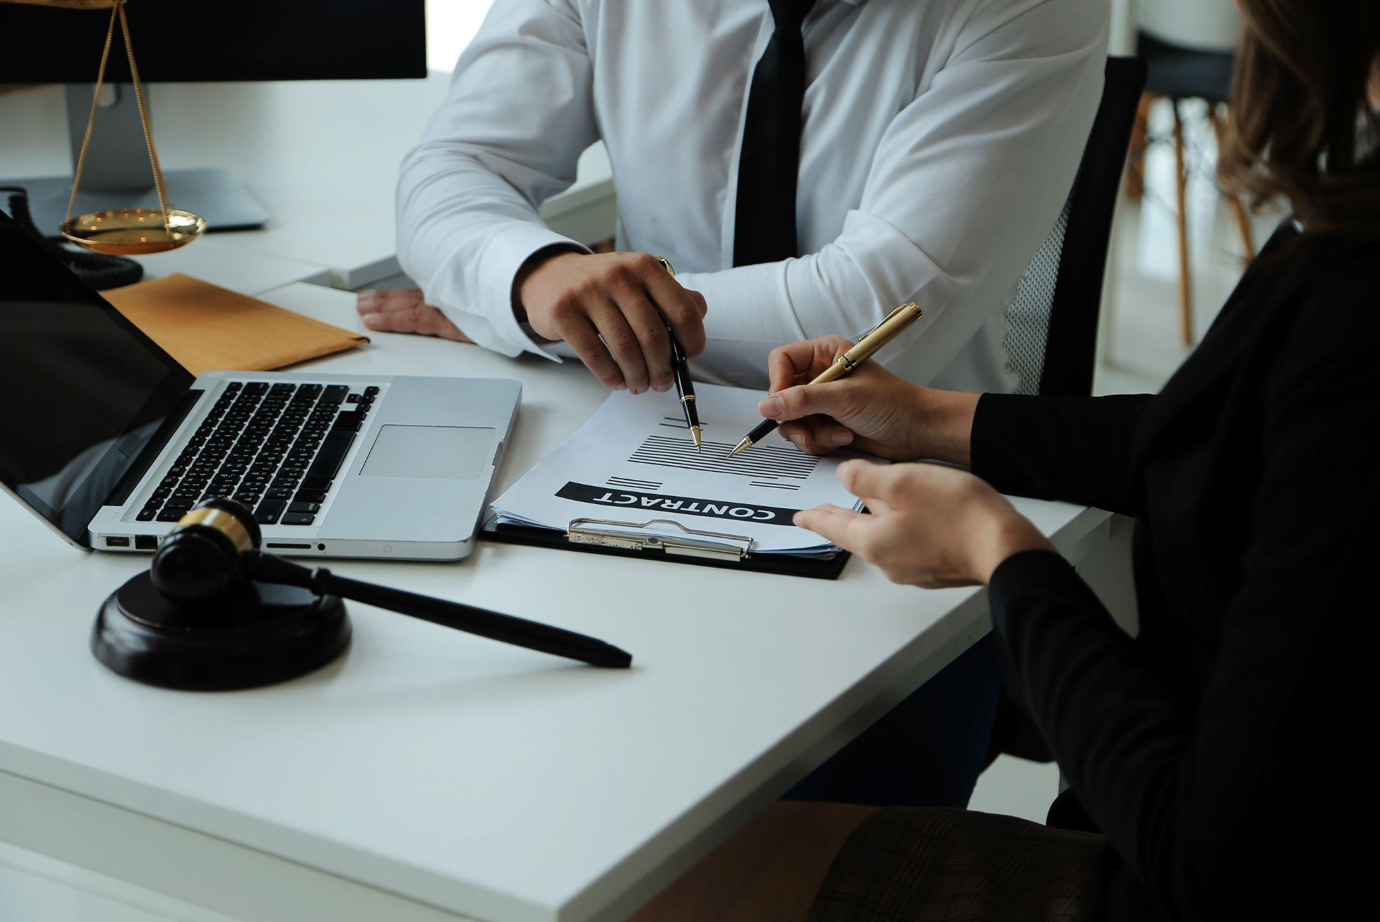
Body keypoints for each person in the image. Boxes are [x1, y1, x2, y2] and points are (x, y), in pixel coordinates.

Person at [625, 1, 1380, 919]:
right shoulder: (1350, 221)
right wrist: (933, 420)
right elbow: (1237, 442)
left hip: (1167, 871)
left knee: (657, 886)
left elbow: (1206, 860)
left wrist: (1002, 554)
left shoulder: (1354, 305)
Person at [362, 0, 1110, 811]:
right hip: (626, 479)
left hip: (902, 544)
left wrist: (559, 321)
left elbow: (875, 308)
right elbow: (452, 167)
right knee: (515, 785)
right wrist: (534, 275)